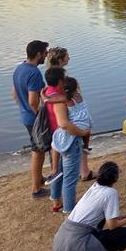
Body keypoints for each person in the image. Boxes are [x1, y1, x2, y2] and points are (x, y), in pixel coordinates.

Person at [53, 161, 126, 251]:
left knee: (104, 220)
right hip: (79, 244)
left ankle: (96, 242)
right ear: (115, 178)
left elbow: (97, 212)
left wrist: (120, 217)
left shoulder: (94, 187)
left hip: (62, 240)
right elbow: (112, 225)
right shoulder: (111, 192)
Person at [45, 69, 89, 213]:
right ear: (60, 81)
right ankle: (69, 209)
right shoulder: (64, 99)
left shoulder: (53, 95)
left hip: (58, 139)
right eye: (63, 77)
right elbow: (64, 123)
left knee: (58, 172)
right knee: (70, 179)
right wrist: (82, 133)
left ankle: (56, 200)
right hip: (70, 140)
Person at [46, 46, 93, 182]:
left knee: (62, 147)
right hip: (67, 123)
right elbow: (62, 103)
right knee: (64, 149)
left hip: (69, 122)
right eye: (67, 56)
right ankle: (68, 174)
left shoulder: (54, 77)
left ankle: (82, 171)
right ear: (61, 59)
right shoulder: (60, 82)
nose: (69, 58)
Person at [12, 40, 49, 198]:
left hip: (25, 116)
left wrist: (24, 108)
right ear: (38, 54)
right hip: (34, 119)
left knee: (38, 149)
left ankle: (40, 179)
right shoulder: (34, 73)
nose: (46, 56)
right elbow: (33, 101)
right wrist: (42, 116)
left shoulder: (20, 68)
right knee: (38, 151)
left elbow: (14, 93)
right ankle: (36, 189)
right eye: (45, 53)